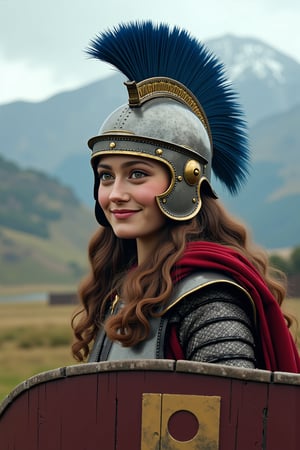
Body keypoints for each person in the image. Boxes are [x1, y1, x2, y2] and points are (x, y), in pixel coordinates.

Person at [71, 21, 300, 372]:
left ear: (186, 179)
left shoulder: (209, 297)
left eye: (137, 174)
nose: (115, 194)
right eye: (106, 176)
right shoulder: (121, 288)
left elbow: (238, 418)